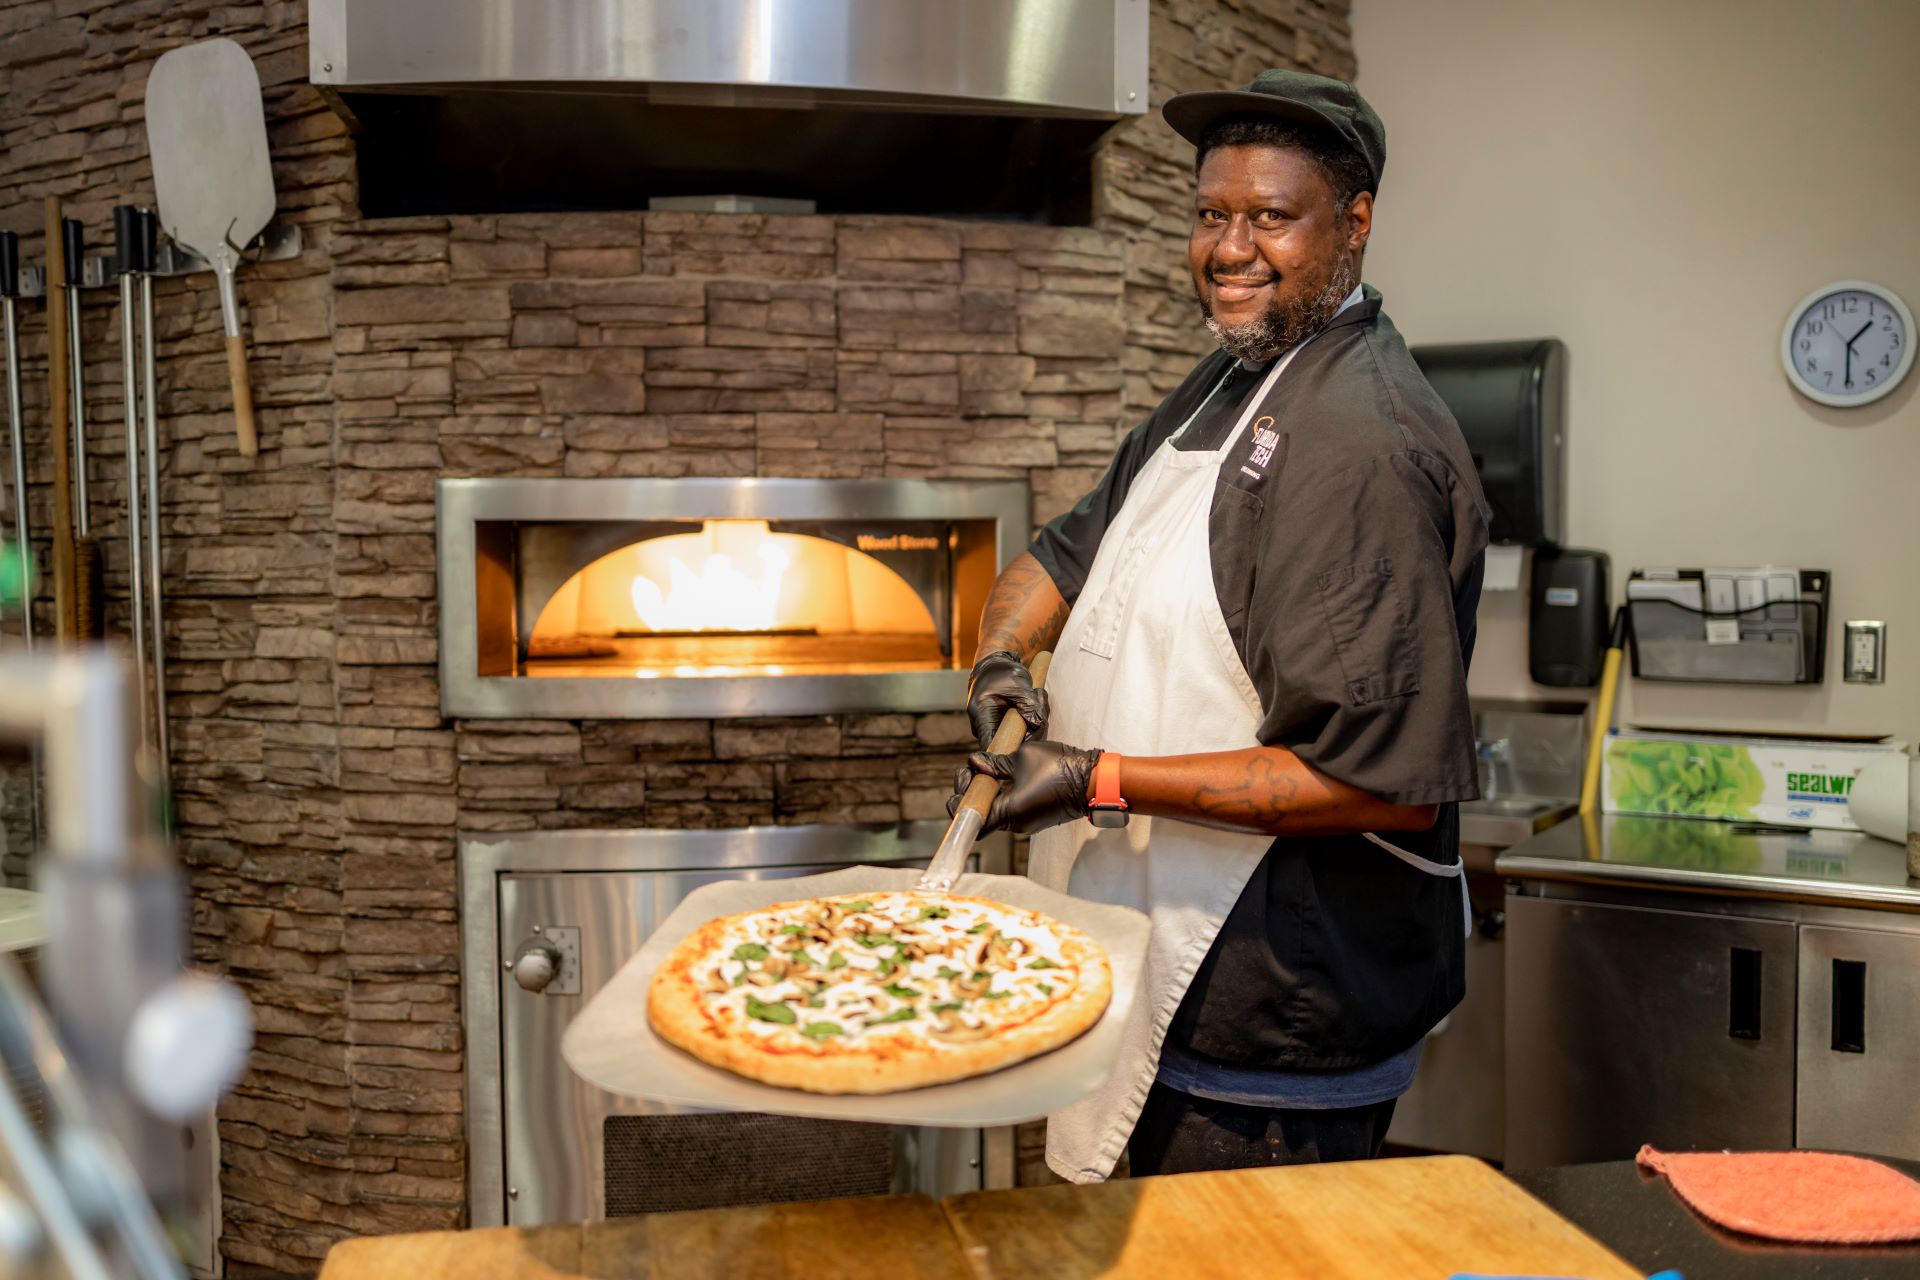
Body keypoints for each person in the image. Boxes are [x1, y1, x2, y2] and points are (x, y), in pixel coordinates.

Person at [950, 70, 1489, 1184]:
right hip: (1162, 984)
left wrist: (1097, 777)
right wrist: (1004, 659)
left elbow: (1387, 781)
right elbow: (1059, 557)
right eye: (1212, 214)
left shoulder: (1362, 448)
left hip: (1270, 1035)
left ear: (1354, 225)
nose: (1230, 247)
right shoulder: (1226, 381)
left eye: (1271, 217)